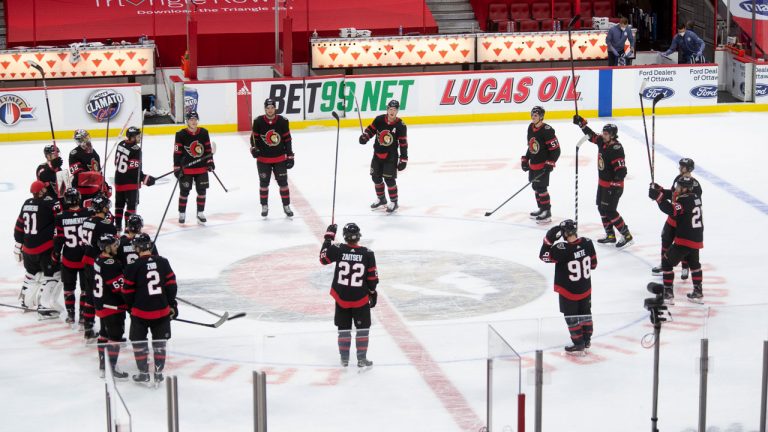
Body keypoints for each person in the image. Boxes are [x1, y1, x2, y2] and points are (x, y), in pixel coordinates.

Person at [320, 223, 378, 368]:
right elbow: (372, 278)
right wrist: (372, 292)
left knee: (344, 330)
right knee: (363, 329)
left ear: (345, 236)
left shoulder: (338, 249)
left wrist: (328, 238)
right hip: (360, 299)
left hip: (341, 298)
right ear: (358, 236)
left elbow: (323, 259)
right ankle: (361, 359)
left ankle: (344, 359)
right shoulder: (368, 253)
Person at [122, 233, 178, 386]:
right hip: (162, 311)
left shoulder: (132, 267)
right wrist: (172, 304)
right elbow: (171, 285)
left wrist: (130, 308)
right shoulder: (163, 262)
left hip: (141, 312)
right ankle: (158, 373)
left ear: (136, 248)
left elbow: (127, 292)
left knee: (138, 342)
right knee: (160, 343)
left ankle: (144, 373)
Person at [573, 115, 634, 249]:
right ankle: (610, 235)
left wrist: (615, 181)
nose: (603, 135)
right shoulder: (603, 142)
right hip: (603, 184)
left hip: (613, 186)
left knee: (610, 211)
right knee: (601, 208)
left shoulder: (616, 149)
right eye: (603, 133)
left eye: (606, 134)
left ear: (612, 136)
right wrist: (582, 124)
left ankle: (627, 235)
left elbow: (622, 170)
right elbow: (592, 136)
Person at [539, 219, 598, 354]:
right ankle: (587, 339)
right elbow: (593, 265)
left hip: (568, 291)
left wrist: (548, 240)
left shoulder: (562, 249)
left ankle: (578, 343)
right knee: (585, 314)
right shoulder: (588, 242)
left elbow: (543, 256)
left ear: (564, 234)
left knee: (571, 317)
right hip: (585, 288)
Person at [648, 176, 704, 304]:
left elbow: (671, 210)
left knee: (666, 262)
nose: (677, 189)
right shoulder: (695, 197)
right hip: (696, 238)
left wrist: (659, 198)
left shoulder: (684, 200)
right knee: (694, 264)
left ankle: (668, 293)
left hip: (685, 239)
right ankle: (698, 292)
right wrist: (660, 192)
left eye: (679, 187)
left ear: (685, 189)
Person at [13, 180, 60, 318]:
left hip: (28, 251)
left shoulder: (27, 203)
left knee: (32, 273)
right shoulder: (49, 203)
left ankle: (25, 301)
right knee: (54, 274)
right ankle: (45, 307)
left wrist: (18, 244)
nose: (46, 190)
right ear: (40, 192)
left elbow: (19, 227)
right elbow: (61, 216)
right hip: (44, 250)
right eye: (44, 189)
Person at [650, 158, 702, 279]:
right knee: (666, 239)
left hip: (682, 221)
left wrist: (660, 198)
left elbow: (692, 203)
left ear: (688, 169)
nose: (679, 168)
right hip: (672, 217)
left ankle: (685, 266)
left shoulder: (695, 185)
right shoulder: (678, 179)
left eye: (682, 166)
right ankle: (664, 263)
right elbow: (673, 194)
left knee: (683, 245)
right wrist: (660, 190)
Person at [359, 100, 408, 213]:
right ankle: (381, 199)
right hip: (377, 154)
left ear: (397, 111)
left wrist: (404, 159)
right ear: (387, 109)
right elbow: (370, 130)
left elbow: (403, 143)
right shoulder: (379, 119)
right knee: (375, 177)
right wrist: (365, 137)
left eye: (395, 110)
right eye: (390, 109)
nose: (392, 112)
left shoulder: (401, 125)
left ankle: (394, 202)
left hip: (391, 157)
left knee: (389, 179)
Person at [53, 187, 93, 326]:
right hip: (84, 258)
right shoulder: (89, 213)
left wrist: (55, 255)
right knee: (85, 289)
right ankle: (83, 316)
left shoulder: (60, 217)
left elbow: (59, 240)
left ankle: (70, 315)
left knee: (68, 288)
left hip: (69, 258)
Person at [250, 98, 295, 217]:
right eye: (267, 108)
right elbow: (254, 139)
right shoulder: (258, 121)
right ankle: (264, 206)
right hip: (263, 160)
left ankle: (286, 206)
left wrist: (290, 155)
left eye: (272, 108)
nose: (270, 110)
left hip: (279, 158)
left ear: (275, 108)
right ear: (265, 109)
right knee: (264, 184)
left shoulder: (282, 121)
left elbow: (287, 139)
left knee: (283, 183)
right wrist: (254, 149)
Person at [81, 194, 117, 342]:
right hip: (100, 263)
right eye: (106, 205)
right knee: (105, 295)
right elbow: (113, 243)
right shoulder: (105, 224)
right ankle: (107, 329)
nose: (108, 207)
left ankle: (88, 327)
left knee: (89, 294)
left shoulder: (87, 221)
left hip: (87, 260)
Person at [93, 233, 129, 380]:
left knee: (104, 334)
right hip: (112, 306)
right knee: (115, 336)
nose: (117, 247)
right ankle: (111, 368)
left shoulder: (98, 259)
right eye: (114, 245)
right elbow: (119, 289)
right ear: (106, 247)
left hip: (102, 304)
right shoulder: (112, 264)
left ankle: (103, 366)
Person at [174, 111, 215, 224]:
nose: (193, 122)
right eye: (191, 119)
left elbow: (208, 150)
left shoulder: (203, 132)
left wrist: (210, 162)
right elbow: (177, 153)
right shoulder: (181, 134)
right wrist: (177, 167)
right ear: (187, 121)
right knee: (184, 191)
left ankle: (200, 213)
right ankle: (182, 213)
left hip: (201, 168)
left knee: (202, 191)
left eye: (195, 119)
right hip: (186, 169)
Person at [521, 106, 560, 224]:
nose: (533, 117)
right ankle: (541, 208)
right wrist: (526, 159)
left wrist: (550, 163)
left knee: (542, 188)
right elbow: (531, 146)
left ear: (541, 117)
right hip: (534, 164)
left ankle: (547, 212)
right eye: (532, 115)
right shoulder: (530, 127)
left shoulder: (547, 130)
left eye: (536, 115)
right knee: (536, 188)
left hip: (543, 165)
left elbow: (556, 150)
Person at [113, 126, 156, 232]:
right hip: (130, 183)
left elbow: (116, 162)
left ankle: (118, 226)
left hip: (118, 180)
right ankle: (129, 228)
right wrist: (145, 178)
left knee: (119, 205)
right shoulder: (136, 149)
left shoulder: (120, 144)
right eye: (137, 136)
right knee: (131, 206)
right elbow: (134, 170)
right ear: (132, 137)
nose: (139, 137)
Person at [69, 129, 106, 200]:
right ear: (80, 140)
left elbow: (98, 170)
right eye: (85, 138)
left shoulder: (93, 152)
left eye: (87, 137)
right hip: (81, 193)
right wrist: (97, 178)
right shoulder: (74, 154)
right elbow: (78, 176)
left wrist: (103, 183)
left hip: (95, 190)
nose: (88, 139)